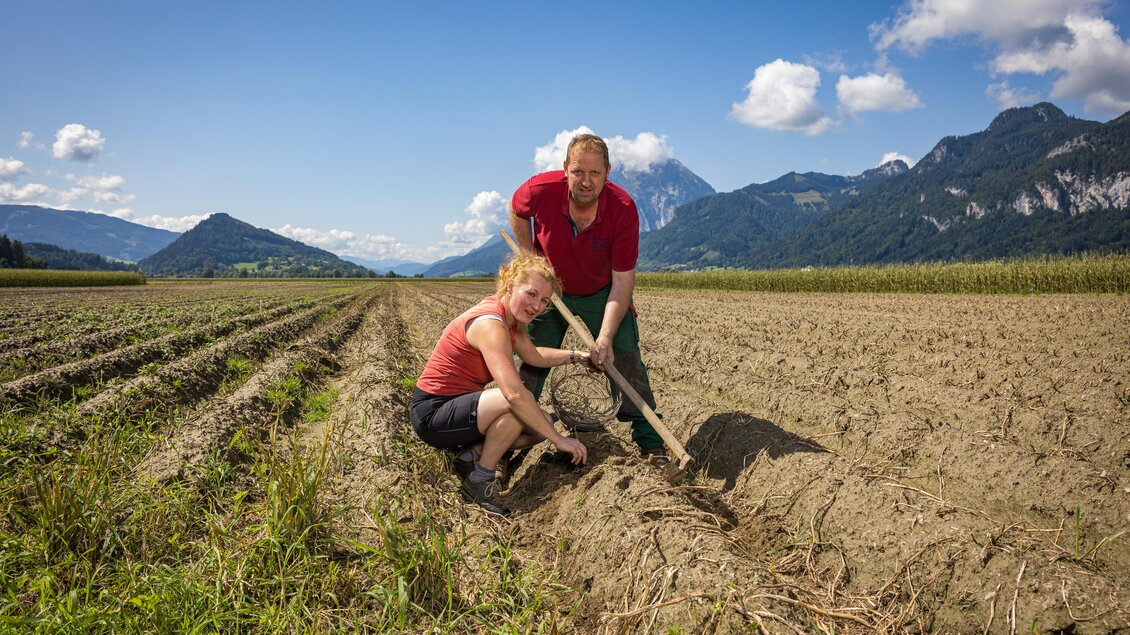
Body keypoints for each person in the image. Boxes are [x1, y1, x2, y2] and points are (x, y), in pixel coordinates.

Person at [508, 133, 666, 460]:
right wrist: (529, 259)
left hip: (601, 291)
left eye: (594, 174)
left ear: (607, 174)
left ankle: (651, 443)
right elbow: (516, 207)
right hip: (552, 292)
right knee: (531, 362)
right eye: (578, 171)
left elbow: (622, 283)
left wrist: (605, 338)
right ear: (565, 168)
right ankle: (510, 444)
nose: (585, 181)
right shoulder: (541, 190)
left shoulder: (622, 209)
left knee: (623, 358)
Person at [410, 254, 589, 516]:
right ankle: (480, 479)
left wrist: (577, 356)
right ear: (510, 287)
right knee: (518, 402)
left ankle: (469, 457)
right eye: (531, 294)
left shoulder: (511, 322)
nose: (537, 305)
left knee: (541, 425)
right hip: (433, 413)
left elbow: (534, 355)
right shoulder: (491, 325)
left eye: (544, 301)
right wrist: (559, 440)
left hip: (460, 411)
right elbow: (514, 394)